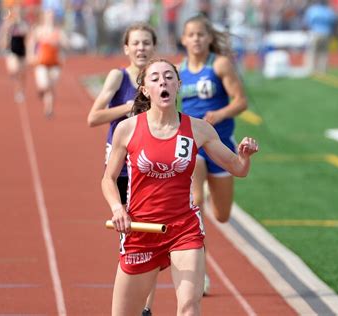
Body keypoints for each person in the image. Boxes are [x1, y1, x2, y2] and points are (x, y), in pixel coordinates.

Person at [102, 58, 258, 316]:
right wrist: (118, 208)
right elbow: (108, 179)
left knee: (189, 305)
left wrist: (244, 156)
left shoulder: (198, 129)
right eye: (155, 78)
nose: (163, 81)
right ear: (144, 89)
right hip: (141, 230)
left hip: (182, 228)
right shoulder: (127, 129)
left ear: (178, 85)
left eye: (168, 76)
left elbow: (237, 168)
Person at [178, 14, 248, 294]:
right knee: (195, 204)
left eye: (200, 34)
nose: (195, 39)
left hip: (220, 143)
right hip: (192, 143)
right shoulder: (177, 70)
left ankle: (207, 190)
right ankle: (200, 274)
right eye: (190, 34)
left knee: (221, 215)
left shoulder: (219, 65)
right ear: (183, 39)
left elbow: (241, 101)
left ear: (209, 38)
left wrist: (219, 114)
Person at [87, 21, 157, 217]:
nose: (141, 48)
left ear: (154, 47)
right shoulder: (118, 76)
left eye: (146, 43)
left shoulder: (159, 79)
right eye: (135, 43)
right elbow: (93, 118)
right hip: (122, 162)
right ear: (126, 48)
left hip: (151, 161)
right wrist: (129, 108)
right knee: (128, 221)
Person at [27, 8, 68, 118]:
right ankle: (41, 91)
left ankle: (48, 109)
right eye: (49, 15)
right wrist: (31, 55)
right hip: (42, 62)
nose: (51, 18)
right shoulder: (39, 30)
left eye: (53, 16)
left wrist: (59, 42)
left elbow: (66, 44)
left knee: (52, 87)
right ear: (44, 17)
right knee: (44, 84)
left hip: (55, 62)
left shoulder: (58, 31)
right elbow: (31, 43)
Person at [0, 5, 29, 103]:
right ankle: (17, 90)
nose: (18, 14)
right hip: (13, 50)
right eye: (17, 12)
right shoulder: (10, 24)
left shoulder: (24, 24)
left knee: (22, 74)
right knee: (15, 70)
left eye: (20, 12)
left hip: (23, 51)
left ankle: (21, 91)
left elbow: (28, 36)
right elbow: (4, 35)